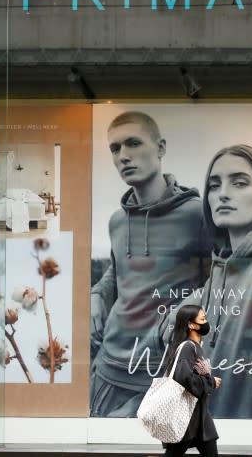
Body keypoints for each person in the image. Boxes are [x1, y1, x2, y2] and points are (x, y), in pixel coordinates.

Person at [170, 144, 252, 418]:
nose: (223, 194)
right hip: (210, 436)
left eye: (239, 183)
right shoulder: (220, 269)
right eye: (215, 185)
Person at [90, 111, 207, 417]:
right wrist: (95, 296)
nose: (123, 156)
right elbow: (117, 276)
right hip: (107, 366)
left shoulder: (197, 214)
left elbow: (222, 279)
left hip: (161, 370)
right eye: (115, 149)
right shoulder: (116, 221)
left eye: (133, 143)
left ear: (161, 148)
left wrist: (191, 305)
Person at [161, 304, 220, 457]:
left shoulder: (195, 346)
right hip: (187, 418)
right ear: (191, 324)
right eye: (203, 319)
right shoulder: (188, 347)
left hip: (200, 417)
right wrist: (211, 382)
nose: (206, 323)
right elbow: (183, 377)